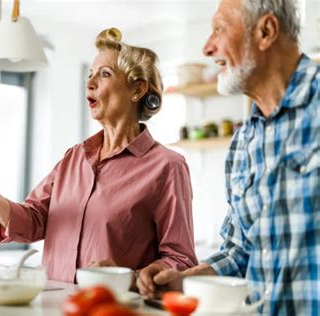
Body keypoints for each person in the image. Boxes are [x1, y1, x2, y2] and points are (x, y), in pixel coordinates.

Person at [0, 28, 198, 283]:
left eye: (105, 74)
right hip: (55, 305)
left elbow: (181, 260)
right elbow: (32, 221)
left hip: (113, 308)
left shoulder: (167, 166)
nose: (90, 83)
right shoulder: (74, 158)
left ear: (137, 89)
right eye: (89, 75)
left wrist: (130, 278)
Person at [136, 0, 320, 314]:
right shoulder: (243, 142)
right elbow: (238, 253)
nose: (207, 48)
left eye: (220, 29)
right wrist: (183, 280)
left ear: (266, 31)